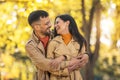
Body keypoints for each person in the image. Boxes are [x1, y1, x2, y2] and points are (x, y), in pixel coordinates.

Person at [25, 10, 89, 80]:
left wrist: (85, 55)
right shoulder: (30, 45)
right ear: (37, 27)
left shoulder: (57, 34)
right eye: (46, 24)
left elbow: (74, 50)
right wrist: (70, 64)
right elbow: (46, 65)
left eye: (49, 22)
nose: (50, 25)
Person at [47, 14, 87, 80]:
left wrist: (61, 60)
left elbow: (80, 62)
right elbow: (50, 66)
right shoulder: (53, 43)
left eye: (57, 22)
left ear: (67, 23)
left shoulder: (80, 41)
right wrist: (67, 69)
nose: (55, 26)